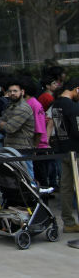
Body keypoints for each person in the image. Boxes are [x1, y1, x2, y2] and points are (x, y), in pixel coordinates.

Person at [52, 80, 79, 235]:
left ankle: (68, 221)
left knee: (66, 187)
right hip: (76, 150)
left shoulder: (56, 105)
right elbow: (77, 130)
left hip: (63, 150)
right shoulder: (73, 106)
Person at [0, 82, 35, 151]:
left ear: (22, 92)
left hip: (22, 150)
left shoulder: (23, 108)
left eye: (15, 91)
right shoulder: (9, 106)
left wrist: (3, 123)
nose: (12, 93)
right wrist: (3, 123)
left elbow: (10, 128)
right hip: (11, 149)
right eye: (10, 91)